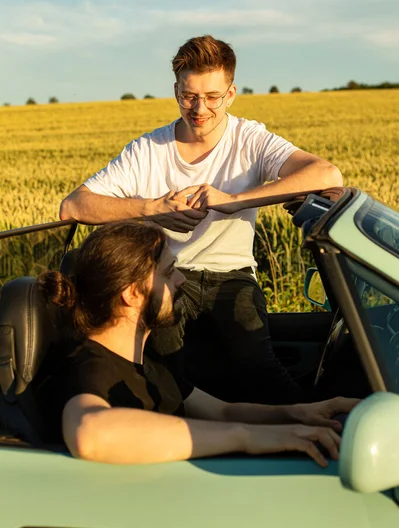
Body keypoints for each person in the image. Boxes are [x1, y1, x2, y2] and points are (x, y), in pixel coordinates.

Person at [59, 35, 343, 405]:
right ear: (176, 90)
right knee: (168, 366)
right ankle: (179, 431)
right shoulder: (147, 150)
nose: (200, 108)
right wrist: (152, 207)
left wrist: (234, 201)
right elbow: (74, 206)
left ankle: (309, 429)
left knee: (258, 368)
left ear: (231, 93)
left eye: (212, 97)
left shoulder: (250, 139)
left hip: (235, 275)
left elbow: (326, 175)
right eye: (189, 95)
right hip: (170, 273)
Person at [34, 220, 357, 466]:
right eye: (168, 272)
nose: (181, 280)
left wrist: (305, 413)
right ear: (131, 293)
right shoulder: (86, 365)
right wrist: (249, 439)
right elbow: (91, 433)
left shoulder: (151, 362)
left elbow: (224, 412)